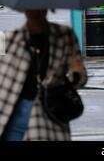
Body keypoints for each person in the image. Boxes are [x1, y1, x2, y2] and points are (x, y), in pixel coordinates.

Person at [0, 10, 87, 141]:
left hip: (50, 114)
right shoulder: (9, 39)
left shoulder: (64, 35)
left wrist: (76, 73)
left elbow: (81, 79)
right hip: (13, 117)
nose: (36, 10)